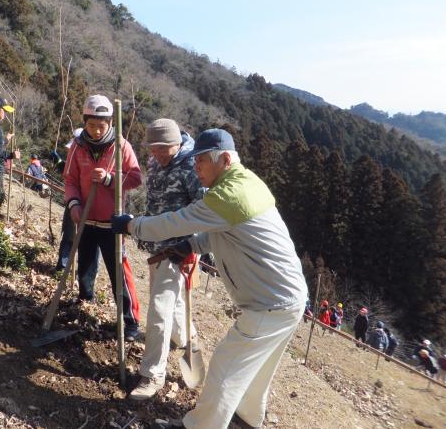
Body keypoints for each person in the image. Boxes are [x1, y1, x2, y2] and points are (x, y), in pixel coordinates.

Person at [111, 128, 308, 429]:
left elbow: (178, 221)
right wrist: (190, 245)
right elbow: (227, 231)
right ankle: (246, 419)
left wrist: (132, 225)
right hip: (287, 297)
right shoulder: (245, 183)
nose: (195, 167)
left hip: (270, 303)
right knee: (256, 370)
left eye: (201, 161)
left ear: (225, 160)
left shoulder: (230, 195)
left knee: (225, 368)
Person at [128, 118, 203, 401]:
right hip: (156, 246)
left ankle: (152, 374)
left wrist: (192, 245)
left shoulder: (192, 168)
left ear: (176, 143)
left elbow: (205, 209)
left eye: (163, 149)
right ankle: (186, 339)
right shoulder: (154, 163)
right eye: (153, 149)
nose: (157, 155)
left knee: (159, 309)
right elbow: (152, 200)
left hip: (179, 250)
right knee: (173, 303)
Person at [64, 94, 142, 341]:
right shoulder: (78, 146)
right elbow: (70, 180)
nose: (96, 131)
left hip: (113, 223)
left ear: (110, 123)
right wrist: (73, 204)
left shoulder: (121, 146)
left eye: (102, 125)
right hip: (86, 219)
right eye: (91, 125)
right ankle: (85, 301)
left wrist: (110, 179)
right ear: (84, 122)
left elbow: (136, 178)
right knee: (85, 266)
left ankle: (130, 321)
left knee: (119, 271)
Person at [51, 128, 99, 290]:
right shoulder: (76, 156)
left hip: (90, 205)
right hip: (73, 203)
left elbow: (77, 176)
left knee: (87, 242)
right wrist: (58, 162)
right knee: (69, 235)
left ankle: (84, 275)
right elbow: (68, 174)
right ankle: (63, 266)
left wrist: (59, 163)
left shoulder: (91, 158)